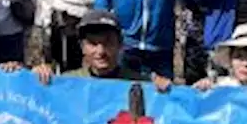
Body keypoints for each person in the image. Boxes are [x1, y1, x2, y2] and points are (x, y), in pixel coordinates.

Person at [32, 9, 171, 92]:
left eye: (108, 43)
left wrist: (164, 90)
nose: (101, 51)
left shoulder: (138, 84)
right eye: (93, 43)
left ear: (120, 44)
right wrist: (33, 77)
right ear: (82, 47)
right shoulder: (66, 82)